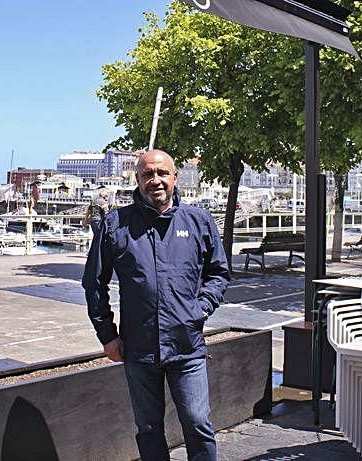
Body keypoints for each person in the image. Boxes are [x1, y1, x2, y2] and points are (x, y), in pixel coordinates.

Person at [82, 150, 230, 461]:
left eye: (162, 173)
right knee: (148, 428)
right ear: (137, 179)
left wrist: (201, 308)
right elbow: (94, 283)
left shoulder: (198, 222)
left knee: (197, 422)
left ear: (175, 178)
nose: (155, 180)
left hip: (187, 346)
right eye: (147, 174)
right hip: (139, 348)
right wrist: (107, 335)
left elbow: (218, 273)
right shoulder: (115, 226)